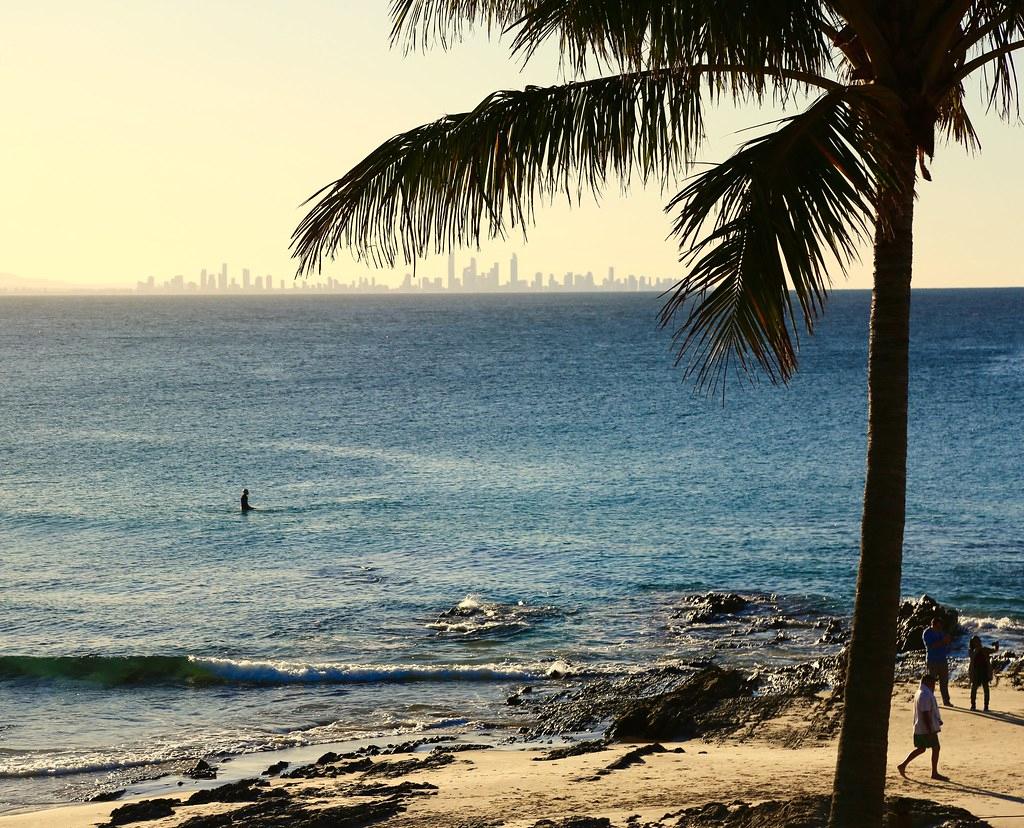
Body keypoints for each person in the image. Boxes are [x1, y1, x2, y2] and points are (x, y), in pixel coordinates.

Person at [897, 673, 948, 781]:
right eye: (933, 683)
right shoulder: (925, 694)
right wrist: (930, 729)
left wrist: (937, 721)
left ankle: (903, 765)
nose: (934, 685)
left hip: (921, 727)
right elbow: (925, 713)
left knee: (921, 749)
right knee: (935, 748)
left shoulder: (921, 692)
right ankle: (934, 772)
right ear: (928, 683)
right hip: (925, 728)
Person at [922, 616, 953, 706]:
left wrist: (947, 640)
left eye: (941, 626)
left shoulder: (941, 632)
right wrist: (943, 641)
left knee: (944, 681)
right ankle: (929, 701)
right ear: (933, 625)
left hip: (942, 659)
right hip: (932, 660)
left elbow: (947, 643)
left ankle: (946, 701)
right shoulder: (927, 633)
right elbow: (931, 646)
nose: (940, 628)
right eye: (938, 626)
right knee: (931, 682)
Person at [968, 635, 999, 711]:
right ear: (973, 643)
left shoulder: (984, 649)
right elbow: (972, 657)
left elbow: (995, 651)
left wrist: (996, 646)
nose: (978, 642)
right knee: (974, 688)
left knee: (986, 688)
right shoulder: (971, 651)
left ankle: (986, 706)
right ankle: (973, 705)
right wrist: (977, 650)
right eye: (976, 641)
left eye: (979, 641)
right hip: (975, 671)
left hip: (984, 671)